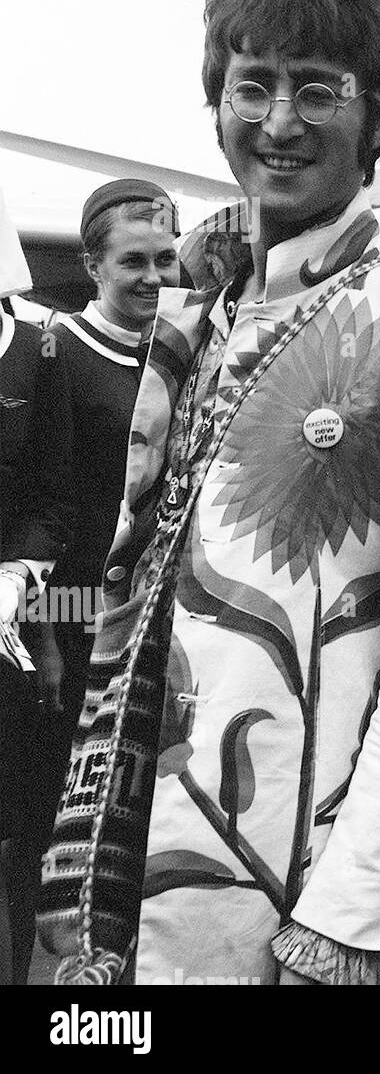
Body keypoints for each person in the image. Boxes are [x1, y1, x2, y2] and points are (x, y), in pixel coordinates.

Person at [40, 0, 380, 986]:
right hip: (148, 871)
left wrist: (347, 917)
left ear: (379, 115)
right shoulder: (202, 322)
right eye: (252, 86)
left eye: (319, 89)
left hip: (308, 894)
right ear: (216, 103)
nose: (279, 122)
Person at [5, 181, 180, 985]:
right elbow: (42, 506)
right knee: (46, 819)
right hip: (71, 621)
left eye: (166, 259)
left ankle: (121, 973)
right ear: (91, 264)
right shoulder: (56, 353)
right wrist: (40, 635)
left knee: (139, 818)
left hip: (155, 625)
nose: (152, 276)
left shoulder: (183, 350)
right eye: (133, 261)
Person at [0, 188, 74, 983]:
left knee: (15, 831)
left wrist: (18, 575)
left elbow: (56, 496)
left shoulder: (33, 354)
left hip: (7, 627)